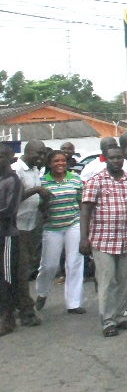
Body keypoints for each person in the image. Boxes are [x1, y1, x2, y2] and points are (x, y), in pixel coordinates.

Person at [79, 144, 127, 338]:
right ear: (105, 159)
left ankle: (119, 316)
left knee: (124, 280)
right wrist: (84, 238)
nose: (116, 160)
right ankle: (107, 321)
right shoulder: (96, 181)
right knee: (107, 280)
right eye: (112, 157)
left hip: (126, 238)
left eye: (119, 157)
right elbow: (86, 210)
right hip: (102, 240)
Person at [34, 150, 85, 315]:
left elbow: (82, 202)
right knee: (49, 265)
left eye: (62, 161)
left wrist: (85, 225)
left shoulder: (75, 179)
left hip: (73, 224)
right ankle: (42, 292)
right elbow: (39, 206)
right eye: (56, 161)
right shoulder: (42, 182)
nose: (60, 164)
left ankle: (73, 303)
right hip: (52, 227)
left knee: (74, 262)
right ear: (49, 164)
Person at [11, 140, 49, 327]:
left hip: (31, 225)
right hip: (16, 227)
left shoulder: (35, 170)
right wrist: (36, 190)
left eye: (43, 155)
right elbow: (13, 198)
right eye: (38, 154)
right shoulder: (16, 170)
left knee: (24, 269)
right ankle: (26, 309)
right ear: (28, 151)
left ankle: (17, 305)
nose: (41, 158)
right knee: (21, 270)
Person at [0, 143, 23, 337]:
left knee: (7, 278)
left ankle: (8, 319)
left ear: (10, 158)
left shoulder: (13, 181)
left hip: (7, 235)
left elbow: (9, 210)